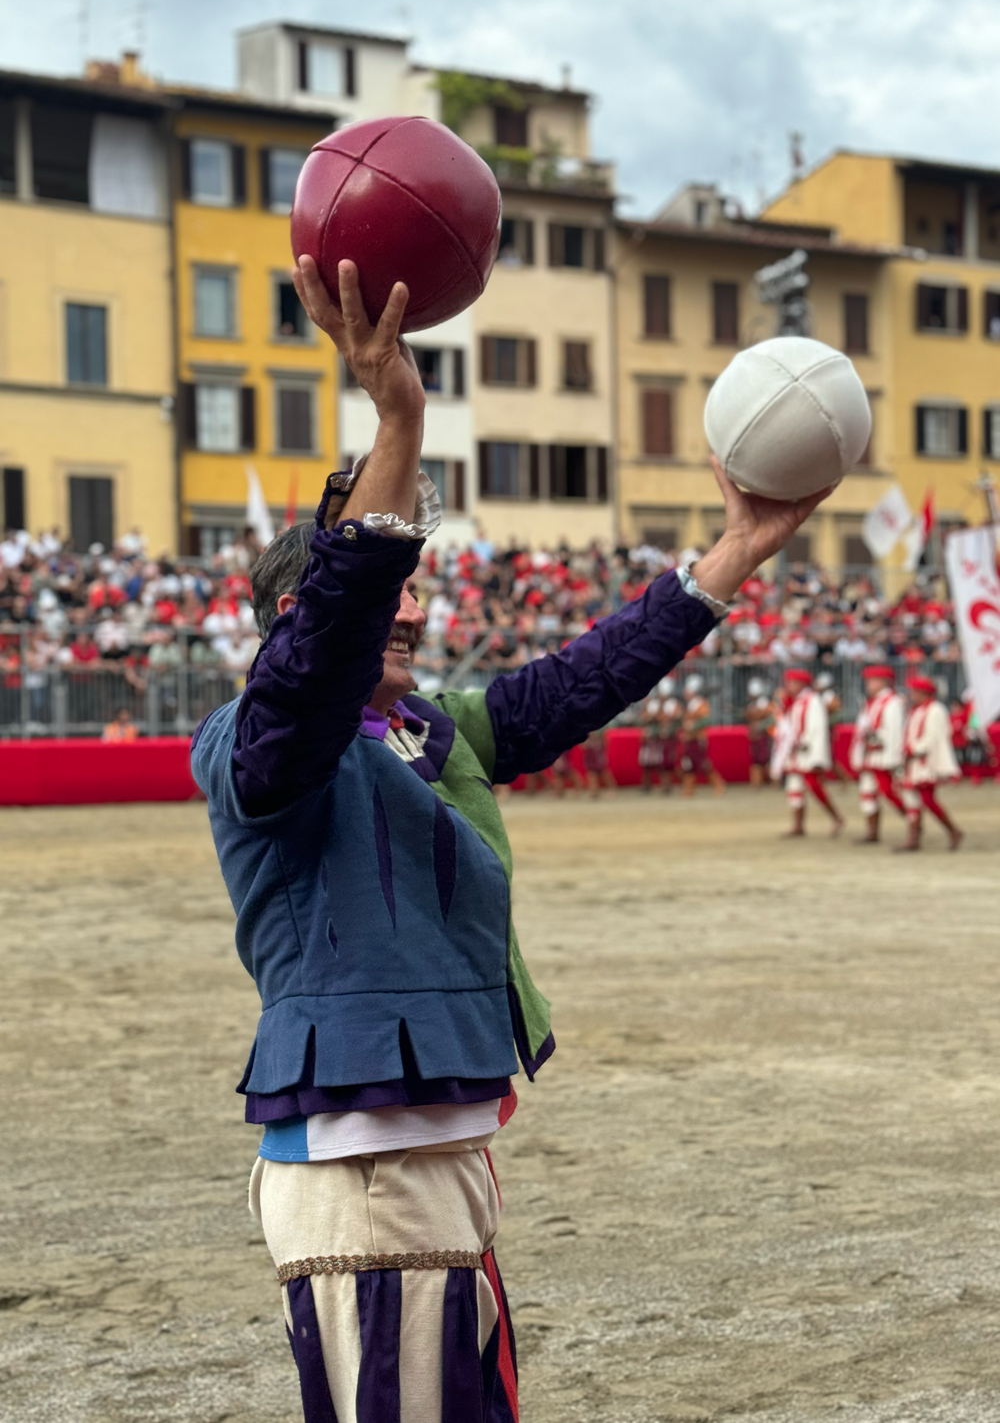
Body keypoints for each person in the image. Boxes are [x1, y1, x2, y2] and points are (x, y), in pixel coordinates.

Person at [190, 253, 830, 1423]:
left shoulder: (431, 728)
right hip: (364, 1166)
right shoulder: (263, 737)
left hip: (429, 1154)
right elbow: (331, 632)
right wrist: (399, 418)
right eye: (385, 575)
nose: (414, 597)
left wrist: (735, 549)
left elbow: (582, 679)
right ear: (303, 612)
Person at [898, 675, 963, 850]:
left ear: (923, 692)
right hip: (913, 763)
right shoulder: (916, 711)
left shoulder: (935, 710)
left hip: (926, 763)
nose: (911, 695)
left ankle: (953, 830)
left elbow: (933, 738)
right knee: (911, 800)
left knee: (927, 799)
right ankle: (913, 838)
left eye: (914, 691)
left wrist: (913, 748)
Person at [780, 668, 844, 836]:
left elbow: (817, 728)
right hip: (795, 751)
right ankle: (798, 825)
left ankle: (836, 817)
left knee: (814, 786)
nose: (789, 686)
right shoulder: (795, 702)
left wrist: (815, 753)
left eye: (793, 683)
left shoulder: (812, 700)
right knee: (793, 788)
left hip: (807, 751)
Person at [849, 664, 906, 843]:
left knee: (888, 791)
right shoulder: (870, 703)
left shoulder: (893, 701)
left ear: (884, 681)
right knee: (867, 792)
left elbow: (895, 731)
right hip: (869, 755)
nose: (869, 684)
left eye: (873, 680)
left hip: (882, 755)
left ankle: (913, 821)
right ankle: (872, 832)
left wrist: (886, 748)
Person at [680, 675, 725, 796]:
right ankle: (688, 789)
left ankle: (718, 784)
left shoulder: (701, 703)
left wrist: (693, 725)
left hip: (697, 738)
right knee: (688, 764)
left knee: (702, 763)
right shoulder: (691, 704)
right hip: (690, 738)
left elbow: (707, 719)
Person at [744, 675, 774, 788]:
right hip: (755, 736)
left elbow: (772, 719)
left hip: (766, 735)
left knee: (767, 758)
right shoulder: (752, 705)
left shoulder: (766, 704)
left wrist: (760, 726)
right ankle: (756, 782)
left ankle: (772, 779)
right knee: (756, 759)